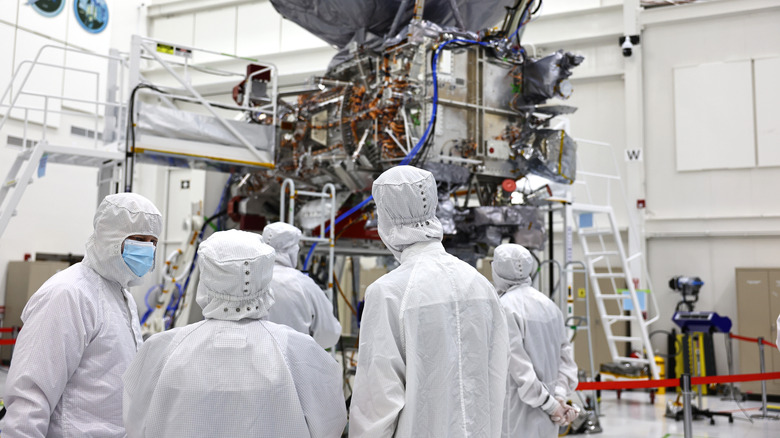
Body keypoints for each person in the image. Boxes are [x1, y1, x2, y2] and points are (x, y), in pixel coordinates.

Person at [123, 229, 347, 438]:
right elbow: (330, 425)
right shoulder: (301, 351)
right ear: (264, 277)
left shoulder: (162, 349)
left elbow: (134, 424)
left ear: (206, 278)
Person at [349, 166, 509, 438]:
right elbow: (496, 377)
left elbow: (377, 404)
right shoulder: (480, 284)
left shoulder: (388, 292)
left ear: (386, 217)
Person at [3, 193, 162, 438]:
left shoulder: (122, 296)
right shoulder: (68, 293)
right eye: (139, 239)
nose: (148, 249)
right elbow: (29, 395)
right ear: (110, 237)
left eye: (153, 242)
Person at [491, 243, 579, 437]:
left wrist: (552, 405)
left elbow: (520, 369)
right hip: (550, 415)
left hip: (517, 413)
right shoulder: (550, 306)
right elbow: (566, 360)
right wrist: (560, 396)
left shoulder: (504, 308)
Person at [263, 221, 342, 349]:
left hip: (249, 364)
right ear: (294, 250)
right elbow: (329, 334)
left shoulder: (247, 279)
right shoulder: (304, 284)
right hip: (293, 362)